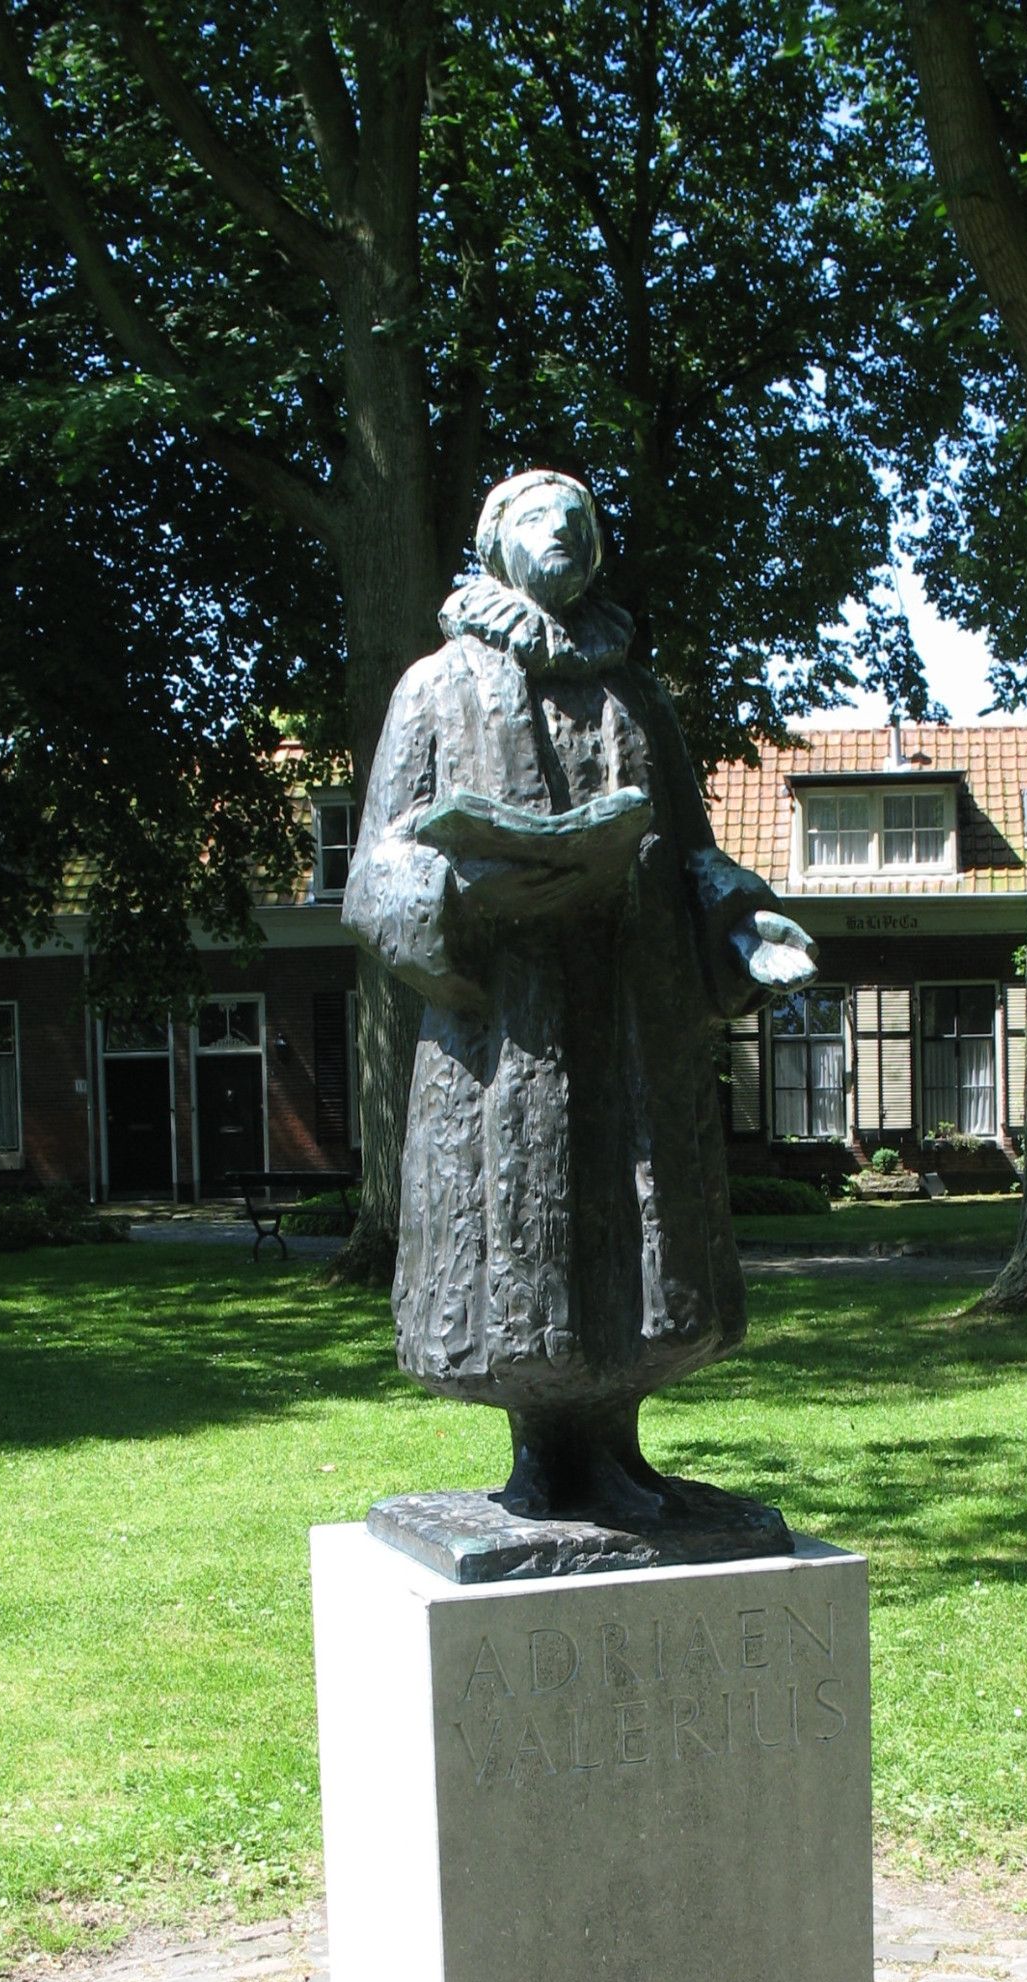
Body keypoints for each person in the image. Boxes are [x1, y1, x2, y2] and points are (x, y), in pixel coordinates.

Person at [345, 468, 817, 1532]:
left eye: (580, 518)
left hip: (635, 1024)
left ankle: (616, 1452)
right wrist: (463, 891)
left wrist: (743, 924)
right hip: (506, 1029)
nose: (562, 530)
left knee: (642, 1237)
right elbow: (375, 868)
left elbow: (693, 852)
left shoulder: (639, 696)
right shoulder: (434, 687)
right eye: (534, 516)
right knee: (521, 1227)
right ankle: (542, 1460)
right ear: (493, 542)